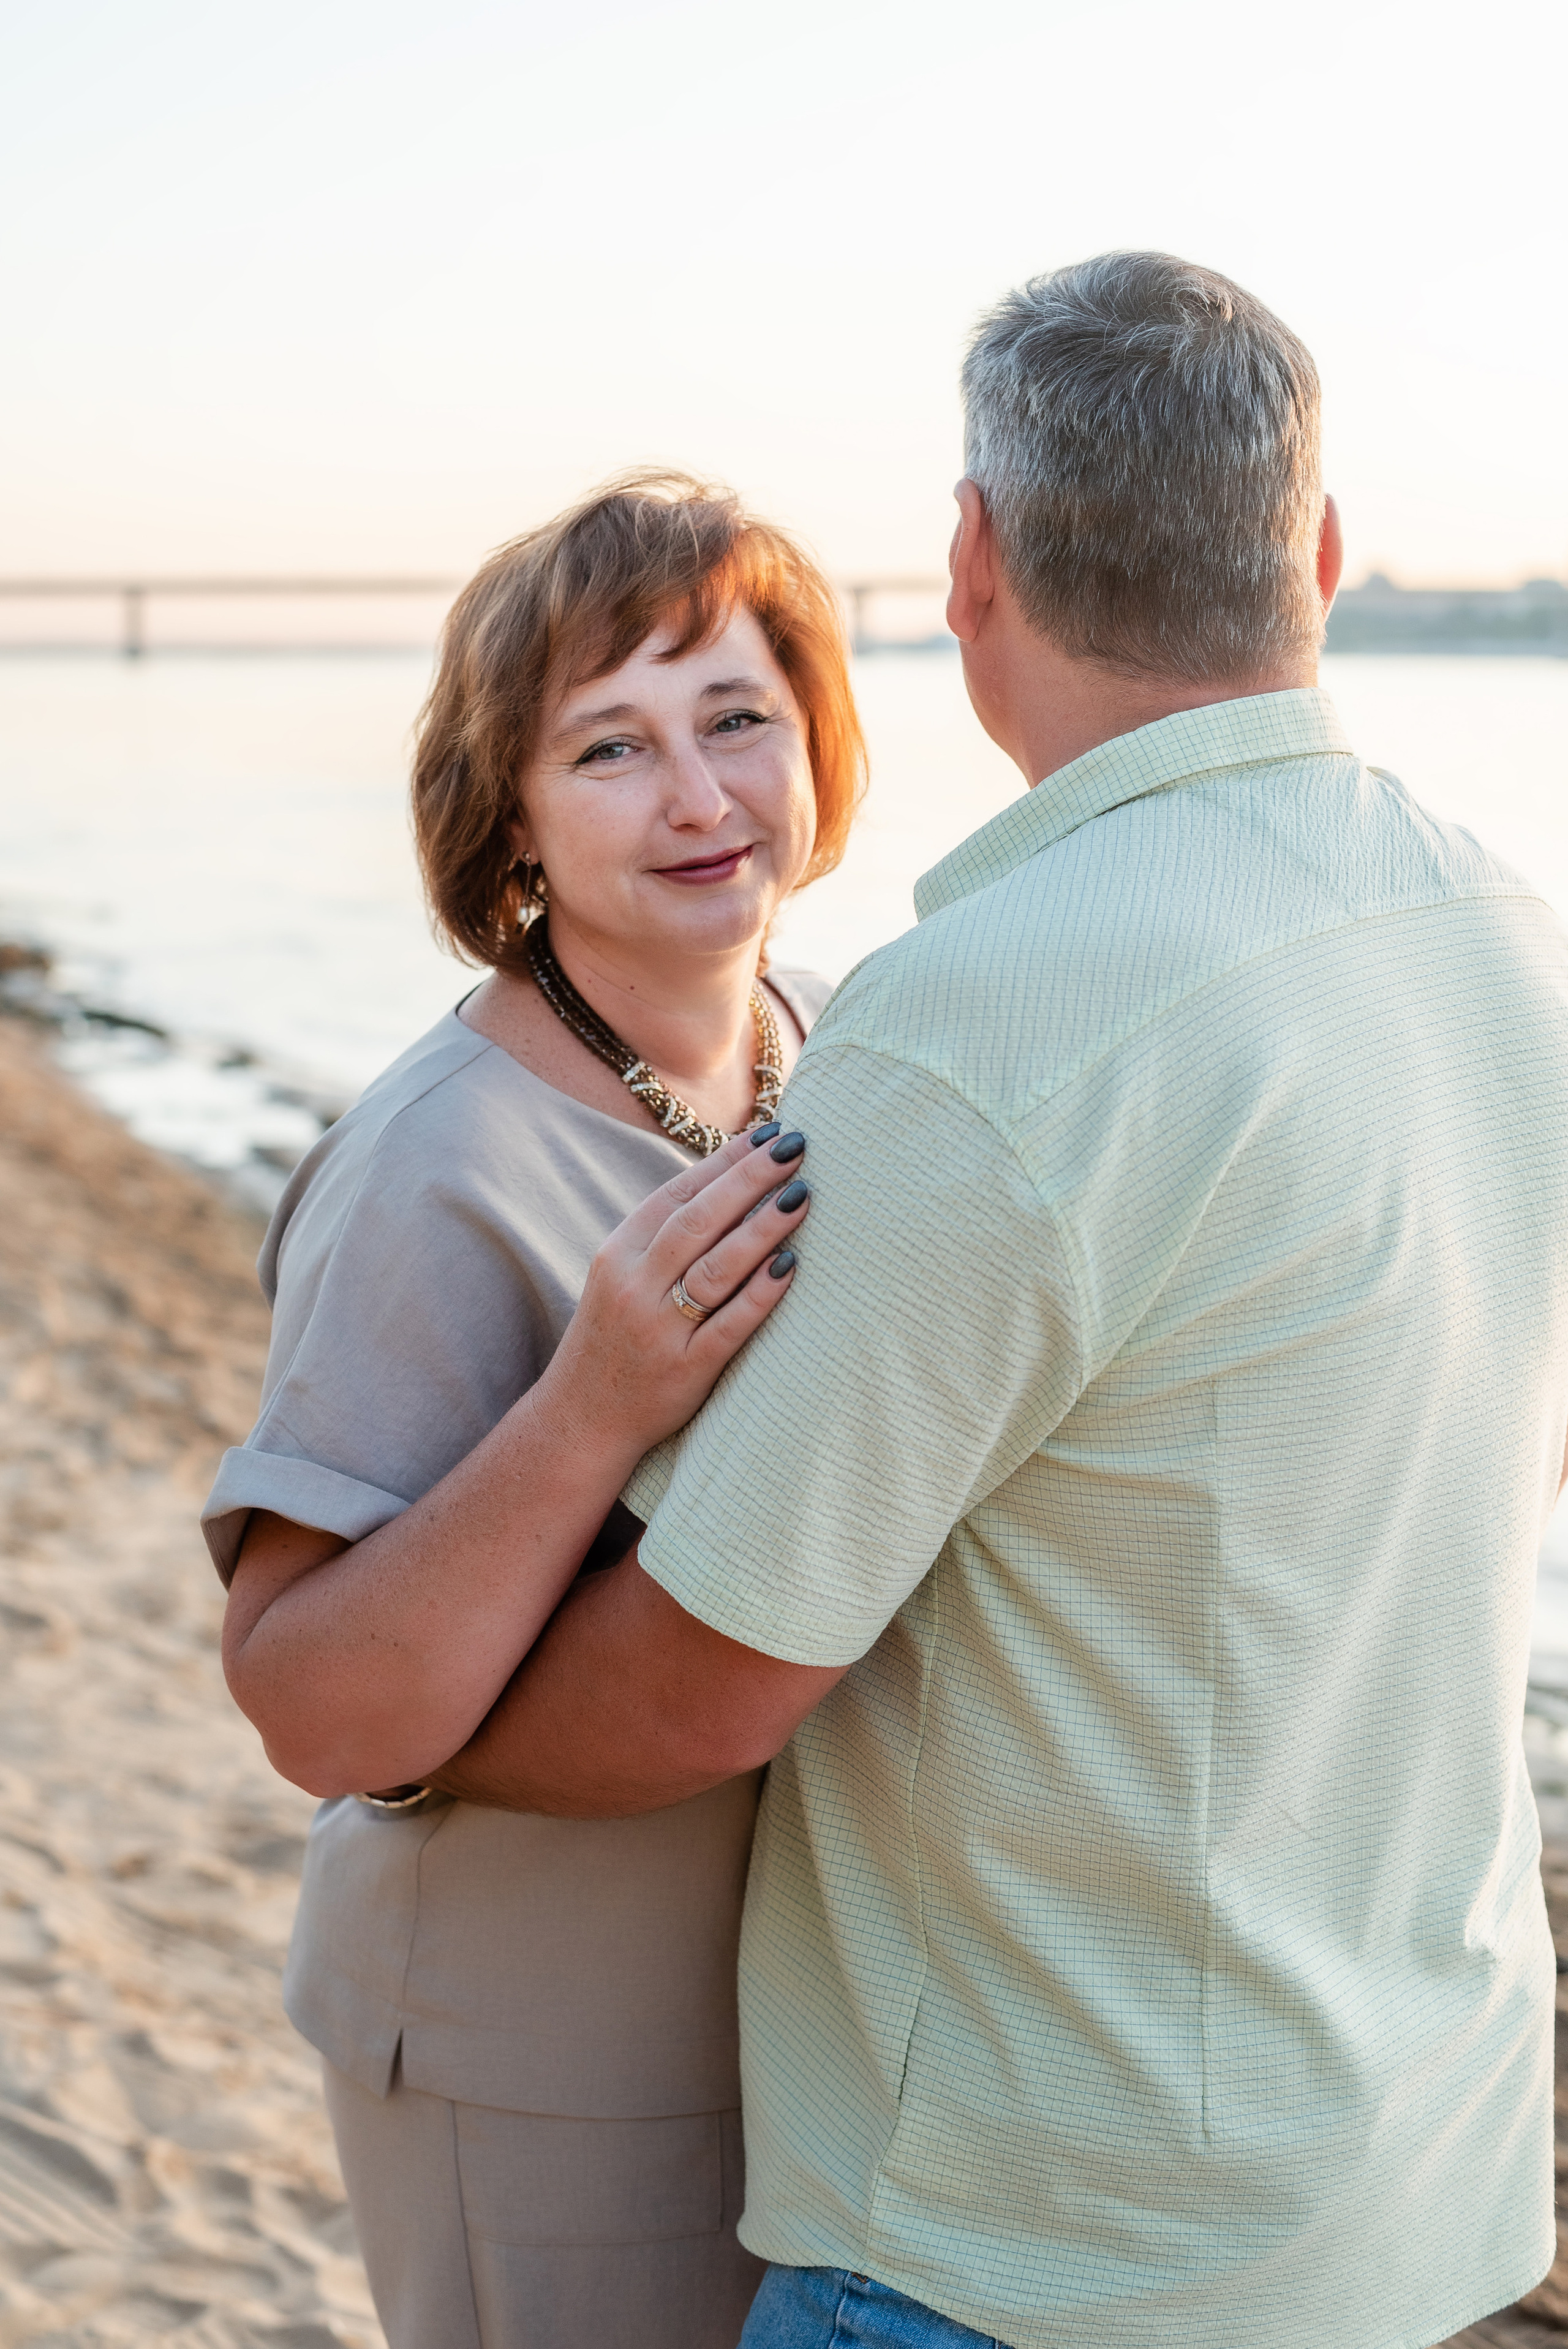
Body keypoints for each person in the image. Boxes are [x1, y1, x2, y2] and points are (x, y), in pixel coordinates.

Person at [415, 255, 1568, 2349]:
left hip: (1041, 2244)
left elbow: (707, 1677)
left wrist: (410, 1730)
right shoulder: (1509, 936)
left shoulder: (976, 1030)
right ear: (1317, 551)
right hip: (1415, 2186)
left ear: (971, 562)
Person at [202, 471, 866, 2349]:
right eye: (612, 747)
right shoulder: (438, 1162)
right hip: (537, 2050)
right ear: (512, 812)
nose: (700, 796)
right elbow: (309, 1702)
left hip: (794, 2030)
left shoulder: (834, 1045)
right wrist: (594, 1398)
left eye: (738, 715)